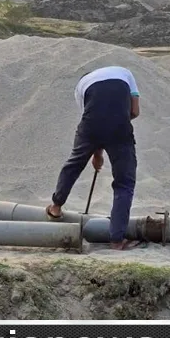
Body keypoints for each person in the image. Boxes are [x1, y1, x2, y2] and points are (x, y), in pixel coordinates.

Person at [46, 65, 141, 250]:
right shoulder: (125, 73)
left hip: (90, 127)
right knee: (124, 183)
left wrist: (96, 153)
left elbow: (93, 118)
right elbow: (135, 111)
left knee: (74, 164)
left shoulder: (81, 86)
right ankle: (116, 240)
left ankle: (56, 207)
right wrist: (116, 124)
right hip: (120, 127)